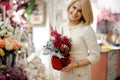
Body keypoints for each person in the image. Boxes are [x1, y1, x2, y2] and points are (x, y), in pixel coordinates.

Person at [58, 0, 100, 80]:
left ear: (84, 14)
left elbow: (95, 56)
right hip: (64, 74)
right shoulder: (62, 27)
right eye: (74, 7)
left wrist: (75, 65)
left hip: (80, 75)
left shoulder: (86, 30)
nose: (75, 12)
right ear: (69, 6)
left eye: (80, 11)